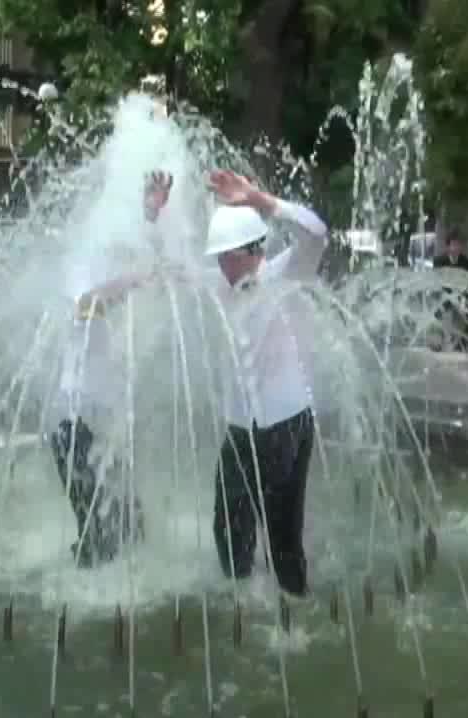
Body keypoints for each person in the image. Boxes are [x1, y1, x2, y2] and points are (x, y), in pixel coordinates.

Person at [200, 169, 329, 597]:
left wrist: (261, 200)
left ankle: (294, 606)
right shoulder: (220, 289)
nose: (220, 265)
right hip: (241, 427)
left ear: (248, 251)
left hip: (286, 422)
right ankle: (244, 599)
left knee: (282, 534)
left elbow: (315, 233)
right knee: (227, 525)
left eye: (225, 257)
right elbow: (169, 269)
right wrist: (153, 215)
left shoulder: (286, 273)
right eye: (218, 258)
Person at [46, 173, 170, 567]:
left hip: (106, 421)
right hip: (74, 423)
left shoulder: (108, 269)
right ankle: (91, 573)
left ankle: (132, 575)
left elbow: (148, 266)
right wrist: (129, 282)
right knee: (93, 523)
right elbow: (86, 304)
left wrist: (151, 213)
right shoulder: (78, 272)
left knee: (128, 517)